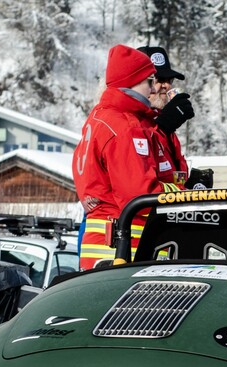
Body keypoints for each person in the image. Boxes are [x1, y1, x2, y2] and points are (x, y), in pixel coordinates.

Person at [72, 44, 185, 270]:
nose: (155, 89)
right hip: (123, 249)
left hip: (105, 246)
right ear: (132, 83)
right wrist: (185, 196)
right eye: (150, 81)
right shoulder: (125, 126)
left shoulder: (101, 117)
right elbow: (140, 196)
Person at [136, 46, 211, 189]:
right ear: (140, 82)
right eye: (158, 79)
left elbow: (172, 178)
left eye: (169, 79)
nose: (166, 85)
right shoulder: (131, 121)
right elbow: (141, 182)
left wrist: (190, 187)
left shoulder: (163, 124)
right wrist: (162, 128)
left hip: (169, 209)